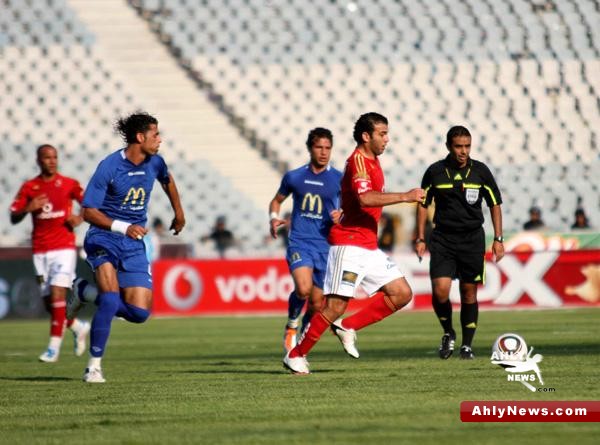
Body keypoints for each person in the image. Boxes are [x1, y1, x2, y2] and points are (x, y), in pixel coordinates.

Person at [283, 112, 425, 374]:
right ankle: (296, 354)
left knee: (402, 293)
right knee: (335, 306)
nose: (387, 139)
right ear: (366, 136)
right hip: (348, 245)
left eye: (387, 133)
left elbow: (352, 201)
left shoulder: (373, 161)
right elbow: (365, 199)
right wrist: (406, 196)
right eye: (382, 134)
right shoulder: (359, 161)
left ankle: (348, 327)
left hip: (368, 245)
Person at [67, 112, 185, 383]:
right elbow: (88, 212)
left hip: (133, 243)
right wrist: (122, 226)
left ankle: (83, 290)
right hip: (103, 238)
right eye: (155, 135)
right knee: (110, 299)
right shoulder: (109, 166)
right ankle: (93, 367)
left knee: (140, 313)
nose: (160, 139)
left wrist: (179, 212)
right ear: (140, 137)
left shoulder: (155, 162)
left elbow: (167, 180)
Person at [415, 125, 504, 360]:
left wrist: (498, 238)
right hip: (443, 238)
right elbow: (423, 204)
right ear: (448, 146)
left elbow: (495, 204)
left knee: (468, 292)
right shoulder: (435, 172)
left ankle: (467, 346)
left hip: (472, 239)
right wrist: (420, 237)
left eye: (467, 146)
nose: (463, 151)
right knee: (441, 291)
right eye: (458, 146)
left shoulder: (481, 172)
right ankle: (448, 332)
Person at [9, 144, 90, 363]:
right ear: (38, 160)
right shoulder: (30, 187)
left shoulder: (68, 184)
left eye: (54, 157)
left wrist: (79, 218)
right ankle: (78, 326)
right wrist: (28, 208)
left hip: (64, 248)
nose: (52, 161)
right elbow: (13, 216)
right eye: (47, 157)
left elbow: (90, 203)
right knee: (50, 305)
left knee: (57, 294)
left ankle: (53, 348)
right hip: (40, 251)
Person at [269, 127, 343, 353]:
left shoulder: (339, 179)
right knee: (303, 289)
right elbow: (276, 201)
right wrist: (274, 218)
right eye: (319, 147)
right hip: (300, 241)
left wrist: (343, 216)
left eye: (327, 148)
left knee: (317, 303)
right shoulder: (295, 176)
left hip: (326, 246)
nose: (323, 152)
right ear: (310, 148)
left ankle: (302, 337)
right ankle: (291, 325)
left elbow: (351, 208)